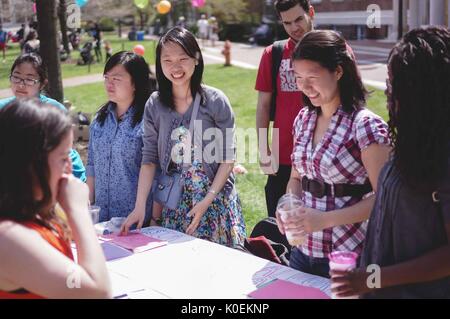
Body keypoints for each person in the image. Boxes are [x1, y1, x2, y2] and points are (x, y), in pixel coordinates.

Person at [331, 26, 450, 298]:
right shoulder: (416, 138)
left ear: (423, 91)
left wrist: (373, 278)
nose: (388, 91)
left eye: (395, 83)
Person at [276, 30, 391, 278]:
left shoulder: (366, 126)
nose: (304, 87)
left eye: (313, 77)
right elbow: (296, 178)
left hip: (348, 257)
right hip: (302, 252)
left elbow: (385, 199)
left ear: (338, 72)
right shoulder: (304, 119)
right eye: (298, 77)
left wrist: (324, 220)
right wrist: (288, 205)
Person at [120, 27, 246, 248]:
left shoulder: (215, 100)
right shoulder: (154, 104)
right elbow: (149, 160)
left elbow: (228, 157)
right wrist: (140, 207)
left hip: (215, 202)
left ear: (196, 59)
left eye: (182, 58)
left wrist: (207, 200)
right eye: (167, 60)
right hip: (175, 203)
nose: (175, 67)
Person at [0, 99, 111, 299]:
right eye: (63, 158)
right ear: (31, 164)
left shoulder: (39, 210)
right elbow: (96, 292)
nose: (70, 168)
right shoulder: (8, 237)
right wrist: (77, 210)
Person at [255, 0, 315, 218]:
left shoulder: (334, 49)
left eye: (299, 19)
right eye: (287, 23)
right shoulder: (274, 54)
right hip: (283, 158)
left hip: (324, 158)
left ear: (311, 12)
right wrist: (263, 149)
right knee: (282, 227)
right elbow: (263, 105)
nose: (294, 27)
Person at [86, 51, 155, 223]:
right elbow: (92, 165)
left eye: (116, 79)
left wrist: (155, 219)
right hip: (101, 221)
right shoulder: (99, 120)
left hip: (135, 222)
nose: (109, 84)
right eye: (106, 78)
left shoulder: (148, 121)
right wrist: (87, 206)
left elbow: (156, 172)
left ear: (135, 83)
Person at [0, 53, 86, 182]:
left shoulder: (53, 111)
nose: (21, 85)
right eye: (16, 77)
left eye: (29, 79)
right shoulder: (3, 109)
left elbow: (67, 155)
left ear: (42, 84)